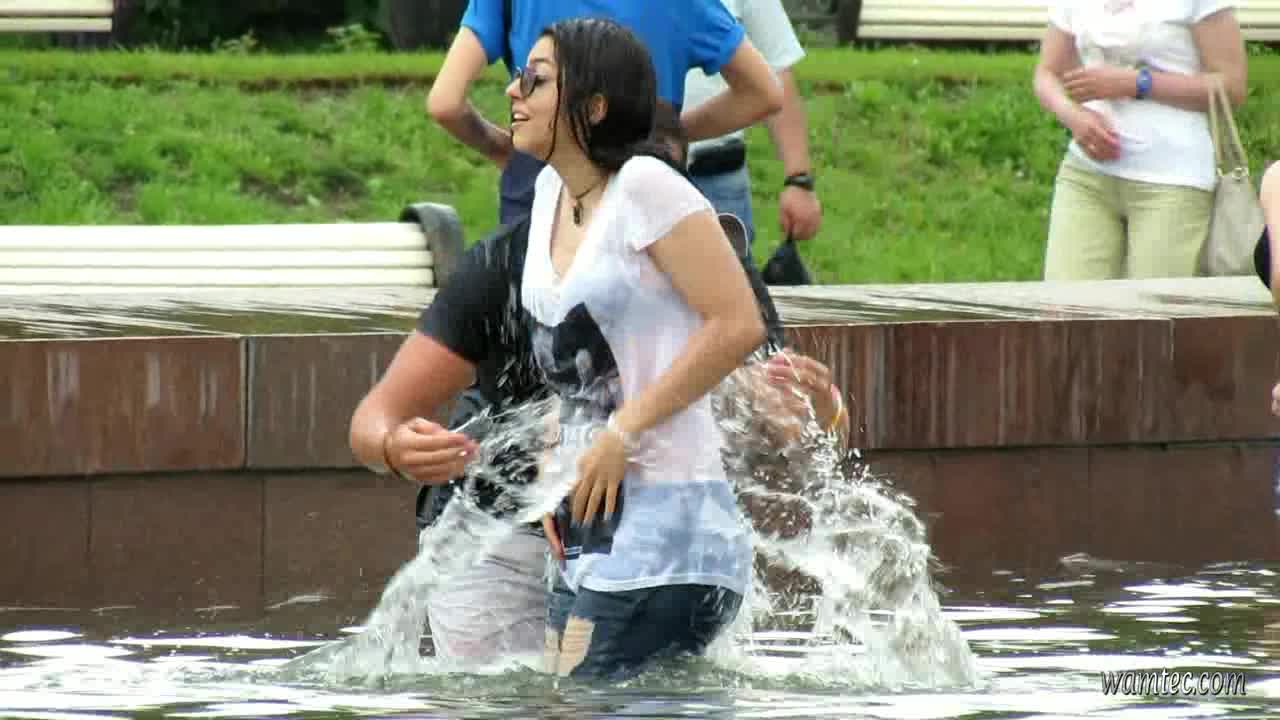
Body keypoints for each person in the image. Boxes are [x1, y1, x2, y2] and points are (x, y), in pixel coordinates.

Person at [426, 0, 784, 226]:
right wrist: (664, 129)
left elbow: (445, 102)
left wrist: (506, 149)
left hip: (540, 180)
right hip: (649, 186)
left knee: (529, 319)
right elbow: (763, 93)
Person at [1033, 0, 1247, 280]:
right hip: (1086, 175)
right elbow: (1047, 72)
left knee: (1151, 306)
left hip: (1172, 181)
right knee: (1065, 304)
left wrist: (1137, 83)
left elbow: (1231, 87)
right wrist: (1073, 116)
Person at [681, 0, 822, 259]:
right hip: (624, 171)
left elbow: (776, 70)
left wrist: (798, 178)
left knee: (726, 280)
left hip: (716, 175)